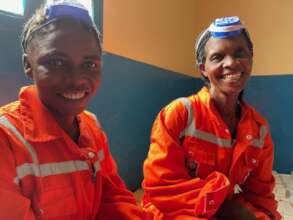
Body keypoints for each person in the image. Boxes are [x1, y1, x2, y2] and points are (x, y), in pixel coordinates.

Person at [0, 0, 146, 219]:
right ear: (28, 65)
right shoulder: (6, 139)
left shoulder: (90, 126)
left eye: (90, 65)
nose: (76, 80)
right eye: (57, 62)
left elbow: (113, 197)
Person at [142, 16, 281, 220]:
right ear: (203, 69)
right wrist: (223, 205)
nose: (231, 63)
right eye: (217, 57)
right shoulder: (179, 114)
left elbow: (261, 196)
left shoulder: (259, 130)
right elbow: (162, 187)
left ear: (250, 61)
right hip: (172, 212)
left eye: (240, 53)